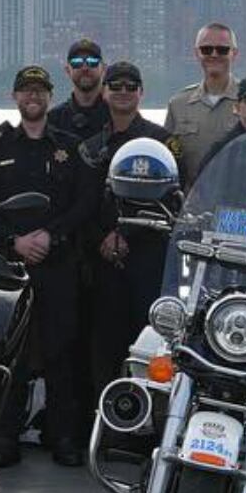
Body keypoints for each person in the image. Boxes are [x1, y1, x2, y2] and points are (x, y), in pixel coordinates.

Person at [0, 65, 92, 468]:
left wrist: (50, 236)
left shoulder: (70, 148)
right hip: (10, 269)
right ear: (15, 98)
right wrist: (14, 242)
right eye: (26, 91)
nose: (33, 97)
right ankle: (4, 436)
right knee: (11, 354)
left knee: (61, 352)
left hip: (58, 265)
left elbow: (84, 204)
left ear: (49, 96)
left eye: (40, 90)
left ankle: (62, 436)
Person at [80, 61, 177, 393]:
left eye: (130, 86)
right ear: (104, 92)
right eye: (116, 86)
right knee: (103, 346)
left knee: (148, 344)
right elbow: (82, 202)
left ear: (141, 92)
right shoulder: (91, 146)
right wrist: (102, 238)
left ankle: (149, 416)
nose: (123, 92)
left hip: (148, 257)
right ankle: (102, 412)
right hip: (103, 258)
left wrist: (126, 234)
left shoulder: (162, 141)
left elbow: (174, 201)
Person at [165, 22, 242, 183]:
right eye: (206, 49)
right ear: (197, 53)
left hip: (240, 197)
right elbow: (168, 160)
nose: (214, 54)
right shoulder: (178, 105)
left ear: (234, 53)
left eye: (222, 50)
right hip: (193, 196)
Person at [50, 38, 112, 143]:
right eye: (77, 63)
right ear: (67, 70)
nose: (85, 68)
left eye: (92, 62)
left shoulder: (116, 115)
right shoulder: (54, 119)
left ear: (104, 68)